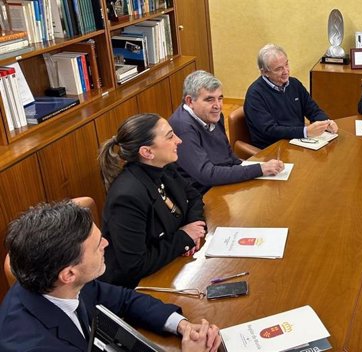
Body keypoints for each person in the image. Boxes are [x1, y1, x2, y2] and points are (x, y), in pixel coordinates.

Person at [0, 200, 222, 351]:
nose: (106, 243)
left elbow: (125, 300)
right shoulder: (32, 345)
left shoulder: (62, 282)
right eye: (98, 244)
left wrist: (182, 325)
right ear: (68, 273)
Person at [98, 113, 207, 288]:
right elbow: (135, 265)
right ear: (147, 152)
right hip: (137, 287)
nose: (178, 140)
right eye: (170, 136)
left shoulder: (163, 166)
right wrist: (184, 237)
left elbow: (193, 196)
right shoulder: (126, 197)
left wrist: (195, 226)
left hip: (172, 266)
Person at [169, 70, 284, 194]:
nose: (218, 106)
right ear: (190, 101)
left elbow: (228, 155)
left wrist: (249, 167)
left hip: (221, 181)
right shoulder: (183, 127)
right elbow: (206, 175)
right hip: (202, 193)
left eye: (220, 98)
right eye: (210, 100)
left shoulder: (212, 115)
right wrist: (259, 169)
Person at [244, 43, 338, 149]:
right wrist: (305, 131)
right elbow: (270, 130)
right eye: (279, 69)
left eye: (286, 64)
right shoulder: (255, 95)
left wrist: (325, 122)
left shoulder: (294, 84)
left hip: (298, 141)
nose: (286, 71)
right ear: (264, 72)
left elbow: (313, 110)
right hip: (273, 149)